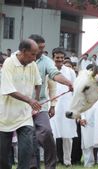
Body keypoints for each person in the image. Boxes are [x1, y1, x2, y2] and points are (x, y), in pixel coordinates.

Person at [28, 34, 73, 169]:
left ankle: (50, 166)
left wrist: (68, 83)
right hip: (22, 105)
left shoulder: (46, 61)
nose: (42, 50)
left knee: (47, 132)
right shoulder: (17, 59)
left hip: (40, 104)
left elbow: (54, 74)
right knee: (29, 138)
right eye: (39, 48)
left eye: (43, 48)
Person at [0, 39, 42, 169]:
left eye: (36, 55)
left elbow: (38, 82)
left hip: (24, 115)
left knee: (27, 148)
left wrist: (35, 101)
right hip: (5, 115)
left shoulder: (32, 64)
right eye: (32, 54)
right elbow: (8, 89)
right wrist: (30, 100)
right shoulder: (9, 63)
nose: (35, 58)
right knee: (3, 154)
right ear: (23, 51)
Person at [49, 47, 77, 167]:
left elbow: (75, 89)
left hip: (67, 106)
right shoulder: (49, 69)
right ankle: (52, 159)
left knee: (68, 135)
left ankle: (67, 161)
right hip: (53, 106)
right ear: (53, 58)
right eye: (57, 58)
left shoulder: (70, 72)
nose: (59, 60)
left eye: (61, 58)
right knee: (52, 135)